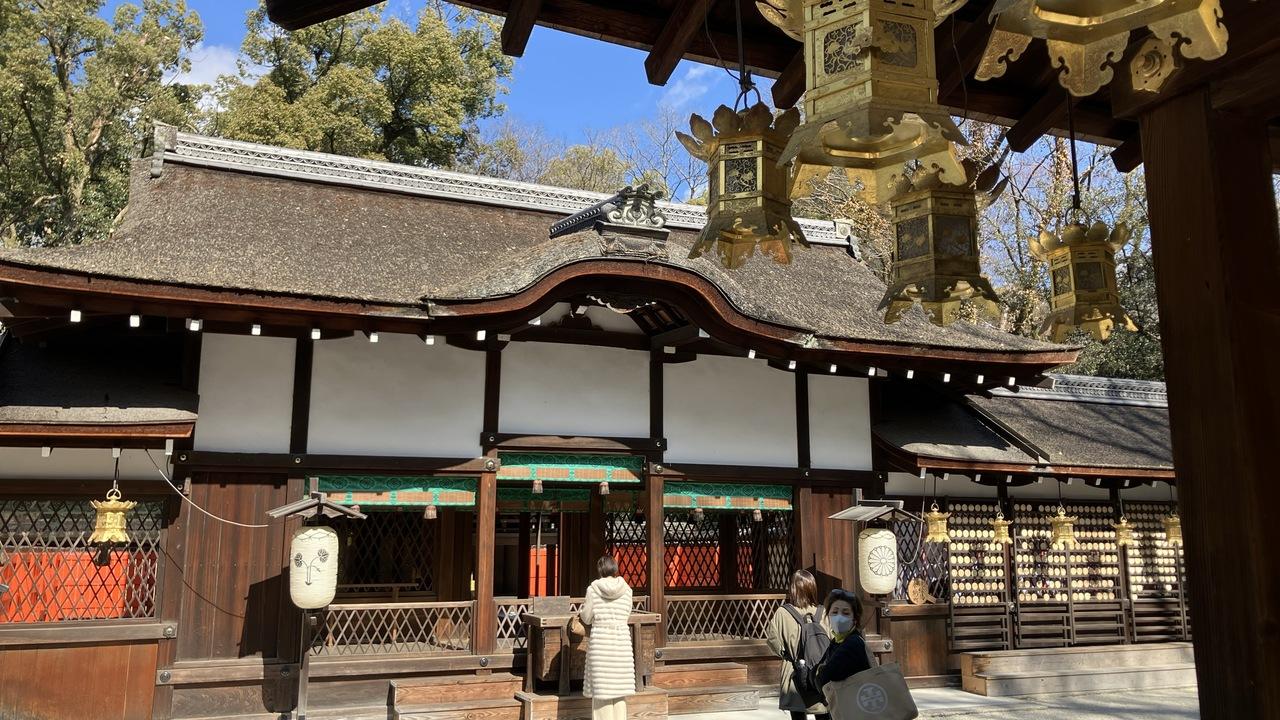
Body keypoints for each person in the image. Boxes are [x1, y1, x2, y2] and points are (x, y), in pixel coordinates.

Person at [765, 570, 831, 720]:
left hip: (794, 671)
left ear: (793, 589)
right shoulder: (824, 612)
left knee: (798, 713)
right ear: (813, 588)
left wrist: (785, 653)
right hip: (820, 672)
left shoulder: (783, 613)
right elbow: (834, 640)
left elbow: (773, 640)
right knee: (824, 712)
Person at [580, 555, 635, 720]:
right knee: (619, 691)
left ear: (600, 570)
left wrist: (581, 613)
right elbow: (626, 614)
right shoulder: (627, 590)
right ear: (615, 568)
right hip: (621, 642)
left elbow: (587, 617)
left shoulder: (593, 590)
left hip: (601, 643)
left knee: (602, 691)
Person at [815, 588, 872, 690]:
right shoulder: (835, 642)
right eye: (835, 612)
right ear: (828, 616)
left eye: (845, 613)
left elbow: (824, 678)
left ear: (855, 619)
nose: (839, 618)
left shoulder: (853, 643)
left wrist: (819, 672)